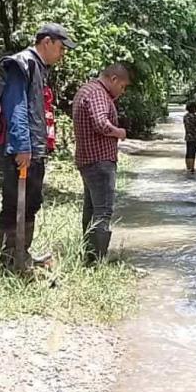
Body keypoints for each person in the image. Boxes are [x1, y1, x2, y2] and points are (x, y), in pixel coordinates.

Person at [0, 23, 76, 269]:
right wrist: (22, 147)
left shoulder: (38, 67)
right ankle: (8, 261)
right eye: (61, 47)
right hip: (21, 150)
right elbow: (15, 108)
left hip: (34, 149)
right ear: (46, 42)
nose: (62, 54)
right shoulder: (22, 64)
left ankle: (22, 254)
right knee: (14, 203)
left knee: (31, 202)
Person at [72, 63, 131, 264]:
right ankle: (97, 259)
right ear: (113, 79)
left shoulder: (86, 89)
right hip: (100, 161)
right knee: (103, 211)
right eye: (122, 86)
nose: (122, 92)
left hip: (87, 160)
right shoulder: (98, 93)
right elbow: (100, 123)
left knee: (91, 209)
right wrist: (119, 132)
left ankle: (89, 255)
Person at [183, 101, 196, 173]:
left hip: (188, 136)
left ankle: (188, 167)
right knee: (193, 152)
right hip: (195, 137)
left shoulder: (185, 117)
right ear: (194, 108)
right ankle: (192, 168)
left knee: (188, 152)